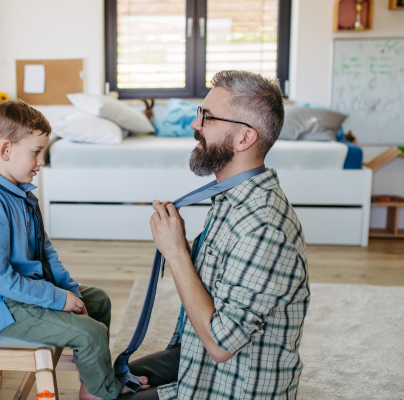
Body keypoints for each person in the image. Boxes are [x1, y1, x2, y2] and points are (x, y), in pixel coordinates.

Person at [120, 71, 310, 400]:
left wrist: (176, 252)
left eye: (206, 117)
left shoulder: (263, 226)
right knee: (101, 386)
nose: (195, 126)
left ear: (243, 139)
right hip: (199, 357)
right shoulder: (233, 195)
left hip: (231, 385)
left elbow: (222, 346)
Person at [0, 100, 149, 400]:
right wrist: (58, 299)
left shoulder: (22, 196)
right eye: (35, 152)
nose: (41, 161)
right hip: (4, 307)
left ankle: (93, 383)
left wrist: (70, 290)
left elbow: (46, 253)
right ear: (6, 150)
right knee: (90, 333)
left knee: (97, 301)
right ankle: (103, 392)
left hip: (27, 291)